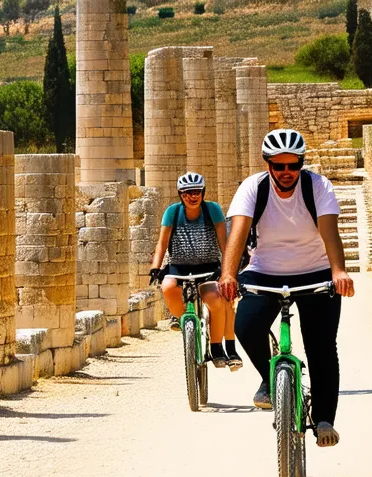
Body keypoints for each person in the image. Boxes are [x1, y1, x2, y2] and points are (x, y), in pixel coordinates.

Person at [218, 129, 356, 448]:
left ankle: (324, 419)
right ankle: (269, 378)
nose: (286, 173)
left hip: (316, 272)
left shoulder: (318, 186)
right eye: (278, 166)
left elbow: (329, 231)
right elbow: (237, 231)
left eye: (292, 165)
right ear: (268, 165)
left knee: (321, 346)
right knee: (246, 325)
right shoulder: (253, 187)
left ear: (301, 164)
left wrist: (338, 271)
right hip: (265, 271)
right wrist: (228, 274)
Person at [149, 172, 243, 370]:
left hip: (208, 268)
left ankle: (216, 347)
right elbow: (162, 243)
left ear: (203, 193)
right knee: (167, 286)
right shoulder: (172, 212)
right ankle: (182, 317)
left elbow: (224, 244)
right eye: (187, 193)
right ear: (181, 195)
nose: (192, 196)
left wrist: (230, 270)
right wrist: (155, 268)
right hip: (179, 267)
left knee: (216, 299)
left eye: (196, 192)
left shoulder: (212, 210)